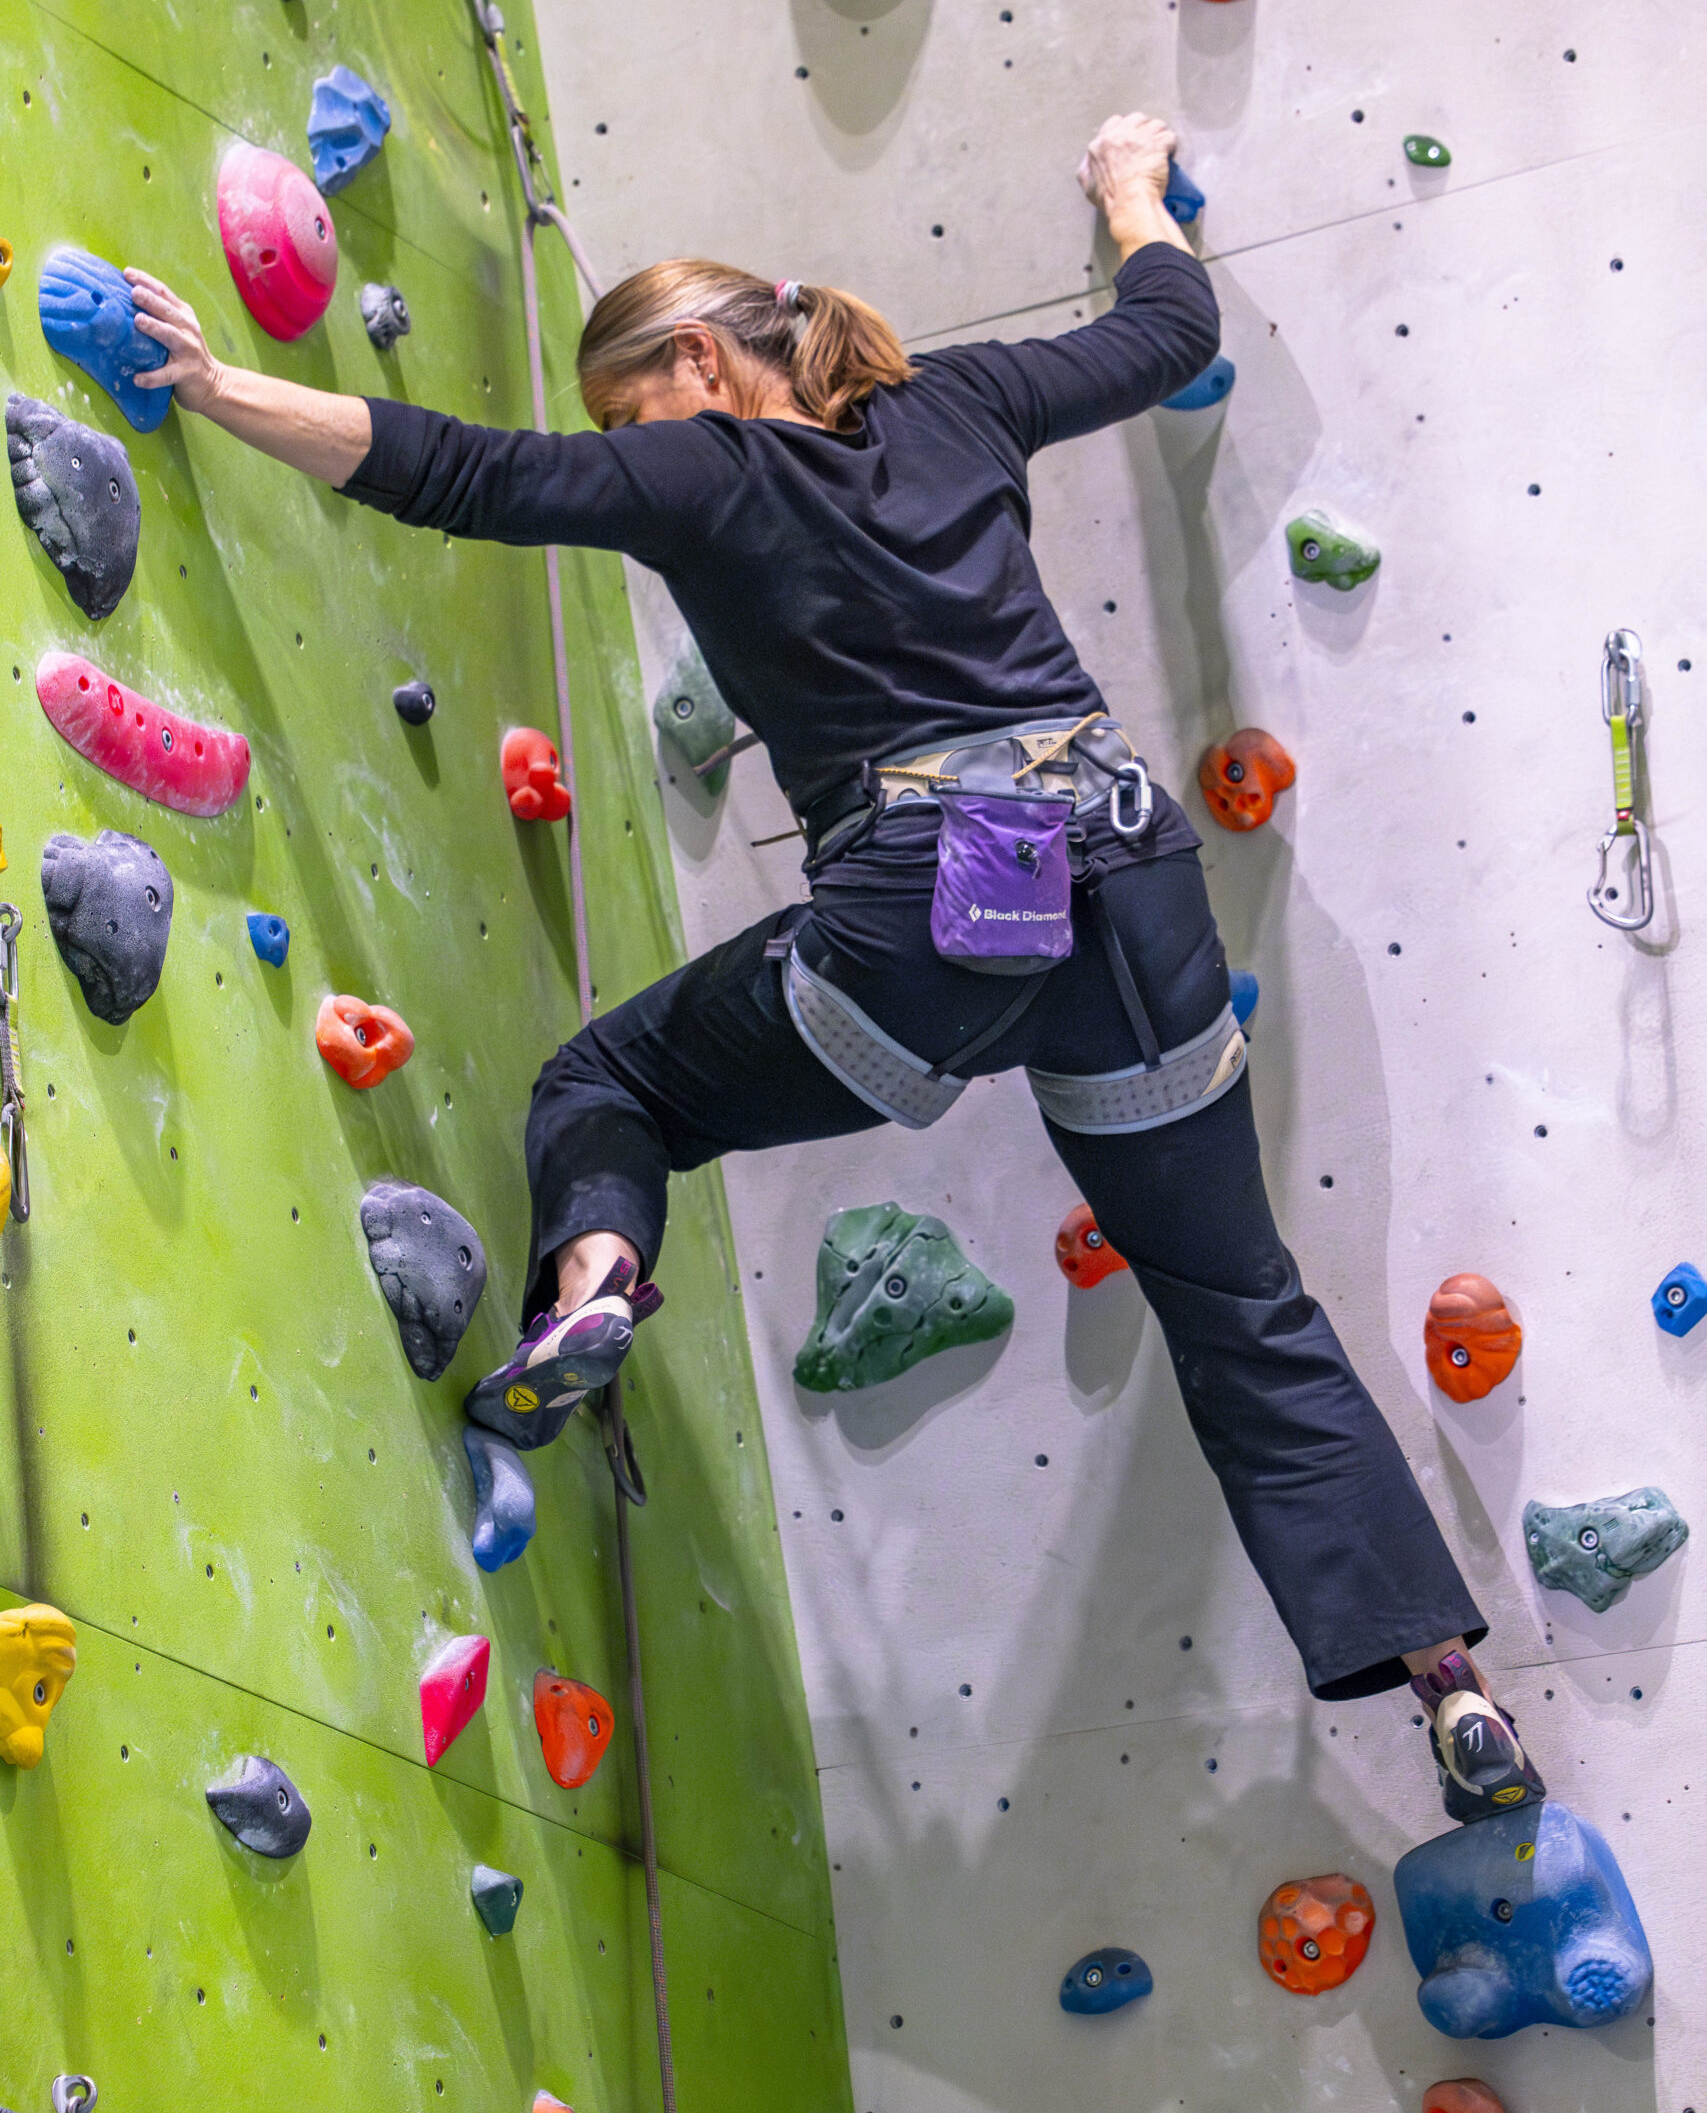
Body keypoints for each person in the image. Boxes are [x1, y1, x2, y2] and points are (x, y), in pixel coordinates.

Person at [129, 110, 1544, 1829]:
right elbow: (1168, 333)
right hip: (1134, 880)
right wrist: (1123, 190)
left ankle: (592, 1295)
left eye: (634, 414)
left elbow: (458, 470)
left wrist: (214, 388)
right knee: (1245, 1310)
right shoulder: (956, 402)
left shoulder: (704, 465)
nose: (628, 451)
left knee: (613, 1081)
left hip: (947, 888)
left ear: (704, 364)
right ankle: (1446, 1682)